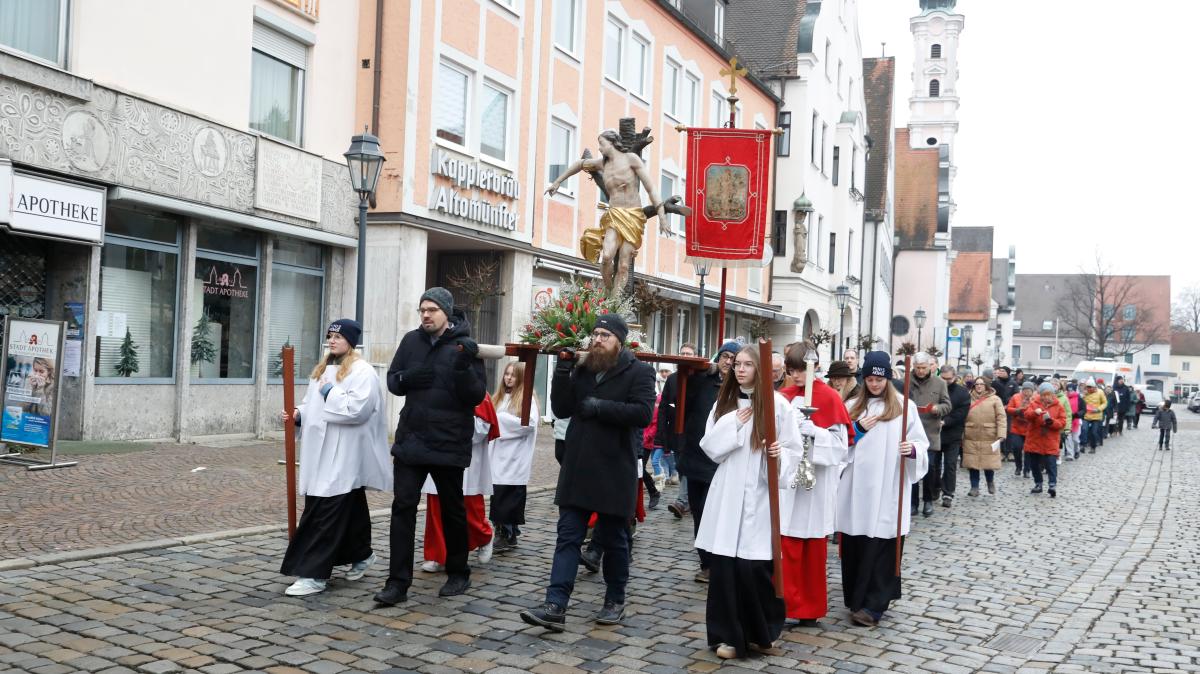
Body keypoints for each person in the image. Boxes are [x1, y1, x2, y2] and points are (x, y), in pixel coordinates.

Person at [520, 314, 655, 631]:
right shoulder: (583, 367)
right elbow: (562, 408)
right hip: (578, 466)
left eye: (605, 335)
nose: (597, 340)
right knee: (567, 537)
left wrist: (600, 408)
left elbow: (643, 413)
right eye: (594, 334)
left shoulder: (639, 372)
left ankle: (615, 599)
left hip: (614, 469)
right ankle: (555, 605)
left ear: (619, 341)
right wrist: (563, 371)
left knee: (615, 540)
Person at [376, 287, 487, 606]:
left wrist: (464, 367)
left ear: (447, 314)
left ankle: (458, 571)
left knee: (452, 509)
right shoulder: (411, 341)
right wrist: (411, 377)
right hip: (412, 438)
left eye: (432, 310)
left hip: (449, 440)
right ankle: (397, 582)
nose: (425, 315)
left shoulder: (464, 346)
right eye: (422, 309)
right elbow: (393, 381)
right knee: (403, 508)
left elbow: (476, 396)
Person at [695, 346, 801, 659]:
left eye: (746, 364)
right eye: (736, 364)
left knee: (754, 569)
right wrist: (734, 425)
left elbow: (793, 449)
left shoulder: (779, 406)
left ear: (759, 368)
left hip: (759, 495)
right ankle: (726, 637)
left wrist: (779, 457)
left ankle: (761, 633)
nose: (739, 369)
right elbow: (710, 446)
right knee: (726, 569)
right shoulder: (724, 403)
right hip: (729, 494)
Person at [279, 320, 391, 597]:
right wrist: (298, 415)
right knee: (344, 507)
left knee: (325, 512)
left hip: (344, 453)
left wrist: (332, 392)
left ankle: (314, 574)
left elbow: (358, 410)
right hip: (320, 450)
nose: (332, 340)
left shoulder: (362, 371)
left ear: (351, 341)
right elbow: (311, 405)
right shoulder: (322, 369)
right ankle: (361, 554)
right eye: (330, 335)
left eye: (338, 336)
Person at [837, 352, 929, 627]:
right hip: (857, 487)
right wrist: (855, 429)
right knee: (857, 542)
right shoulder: (852, 404)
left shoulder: (904, 407)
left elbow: (921, 443)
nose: (875, 384)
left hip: (888, 484)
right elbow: (839, 442)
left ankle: (874, 604)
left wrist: (911, 449)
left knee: (882, 543)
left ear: (888, 379)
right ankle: (856, 598)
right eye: (870, 379)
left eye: (879, 379)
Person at [777, 344, 852, 627]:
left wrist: (816, 433)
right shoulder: (782, 397)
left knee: (811, 546)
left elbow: (840, 448)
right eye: (791, 369)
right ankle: (783, 604)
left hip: (816, 485)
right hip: (788, 482)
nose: (795, 376)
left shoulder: (830, 398)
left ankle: (809, 608)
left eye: (800, 369)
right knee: (786, 542)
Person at [676, 340, 740, 581]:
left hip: (720, 463)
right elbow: (681, 400)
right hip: (696, 457)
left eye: (733, 358)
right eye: (724, 356)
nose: (728, 361)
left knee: (716, 511)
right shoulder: (702, 382)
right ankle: (706, 561)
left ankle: (718, 561)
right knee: (699, 511)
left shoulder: (739, 390)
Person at [421, 397, 500, 571]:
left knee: (468, 509)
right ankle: (437, 555)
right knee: (436, 506)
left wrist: (452, 424)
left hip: (465, 459)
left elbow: (482, 428)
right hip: (438, 453)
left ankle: (484, 536)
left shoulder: (478, 393)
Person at [489, 361, 540, 553]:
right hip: (498, 454)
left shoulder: (527, 400)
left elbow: (529, 424)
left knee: (509, 495)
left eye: (513, 375)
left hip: (515, 456)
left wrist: (501, 420)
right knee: (498, 494)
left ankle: (507, 533)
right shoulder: (499, 398)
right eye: (506, 374)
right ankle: (503, 530)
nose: (508, 378)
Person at [908, 353, 951, 517]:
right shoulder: (907, 381)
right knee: (911, 467)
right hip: (911, 432)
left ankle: (928, 500)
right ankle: (912, 503)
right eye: (917, 368)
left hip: (930, 433)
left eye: (923, 368)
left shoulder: (939, 383)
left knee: (930, 468)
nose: (920, 371)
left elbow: (947, 405)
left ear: (929, 367)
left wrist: (937, 409)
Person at [658, 344, 698, 518]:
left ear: (695, 356)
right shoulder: (672, 379)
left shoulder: (699, 377)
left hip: (694, 432)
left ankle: (682, 501)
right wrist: (662, 433)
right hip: (676, 432)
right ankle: (688, 499)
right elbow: (664, 407)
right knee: (681, 466)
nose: (684, 356)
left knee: (687, 465)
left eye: (688, 354)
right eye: (682, 353)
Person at [963, 376, 1005, 496]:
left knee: (988, 462)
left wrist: (1001, 434)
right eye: (977, 384)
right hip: (971, 435)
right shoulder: (968, 398)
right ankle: (974, 487)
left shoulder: (995, 399)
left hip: (989, 435)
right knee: (973, 463)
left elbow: (1001, 418)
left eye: (981, 384)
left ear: (986, 385)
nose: (979, 386)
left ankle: (990, 481)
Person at [1023, 383, 1066, 497]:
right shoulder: (1034, 403)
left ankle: (1052, 485)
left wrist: (1052, 422)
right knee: (1034, 464)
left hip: (1050, 439)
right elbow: (1026, 415)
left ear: (1053, 395)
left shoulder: (1058, 406)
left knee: (1051, 464)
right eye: (1044, 395)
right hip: (1035, 438)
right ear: (1040, 395)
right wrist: (1034, 413)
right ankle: (1038, 483)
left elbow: (1062, 422)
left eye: (1049, 394)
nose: (1046, 397)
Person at [938, 364, 970, 508]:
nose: (945, 381)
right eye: (943, 378)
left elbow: (961, 413)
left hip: (953, 434)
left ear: (955, 377)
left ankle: (948, 493)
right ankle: (934, 488)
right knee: (934, 466)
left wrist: (945, 422)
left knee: (950, 465)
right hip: (936, 433)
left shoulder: (962, 393)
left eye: (948, 379)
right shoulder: (935, 389)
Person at [1006, 382, 1036, 478]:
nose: (1027, 393)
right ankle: (1018, 466)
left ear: (1032, 391)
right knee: (1017, 447)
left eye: (1029, 391)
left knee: (1028, 450)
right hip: (1017, 428)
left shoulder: (1035, 399)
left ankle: (1027, 470)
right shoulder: (1016, 397)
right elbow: (1009, 409)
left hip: (1030, 428)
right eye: (1025, 390)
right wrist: (1018, 410)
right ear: (1022, 390)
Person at [1081, 378, 1107, 454]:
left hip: (1096, 416)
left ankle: (1093, 447)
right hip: (1086, 415)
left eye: (1090, 387)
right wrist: (1082, 396)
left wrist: (1098, 409)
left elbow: (1105, 403)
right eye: (1087, 387)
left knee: (1093, 432)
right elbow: (1081, 403)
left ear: (1094, 387)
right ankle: (1082, 445)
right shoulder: (1085, 393)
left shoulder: (1100, 392)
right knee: (1084, 429)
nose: (1088, 389)